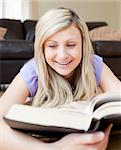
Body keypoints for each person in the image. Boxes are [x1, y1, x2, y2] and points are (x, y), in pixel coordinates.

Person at [0, 7, 120, 150]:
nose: (62, 55)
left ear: (83, 45)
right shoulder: (33, 71)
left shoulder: (93, 63)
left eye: (71, 45)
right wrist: (56, 148)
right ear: (42, 49)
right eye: (52, 46)